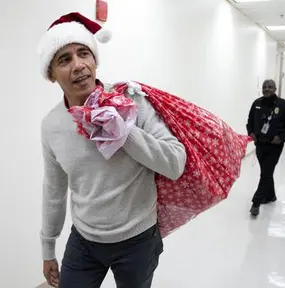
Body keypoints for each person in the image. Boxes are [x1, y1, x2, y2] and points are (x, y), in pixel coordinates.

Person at [37, 12, 186, 288]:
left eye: (84, 53)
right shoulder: (52, 126)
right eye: (64, 59)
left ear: (95, 60)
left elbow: (175, 162)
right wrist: (48, 249)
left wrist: (125, 132)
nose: (78, 65)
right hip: (84, 241)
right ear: (51, 73)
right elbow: (54, 191)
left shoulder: (131, 100)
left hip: (138, 240)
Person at [246, 79, 285, 217]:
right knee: (266, 172)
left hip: (275, 146)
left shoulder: (284, 105)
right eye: (264, 87)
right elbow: (249, 120)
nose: (267, 89)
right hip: (260, 144)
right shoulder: (256, 103)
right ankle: (271, 196)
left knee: (266, 172)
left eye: (270, 87)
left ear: (275, 88)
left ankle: (256, 202)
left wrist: (281, 137)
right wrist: (251, 133)